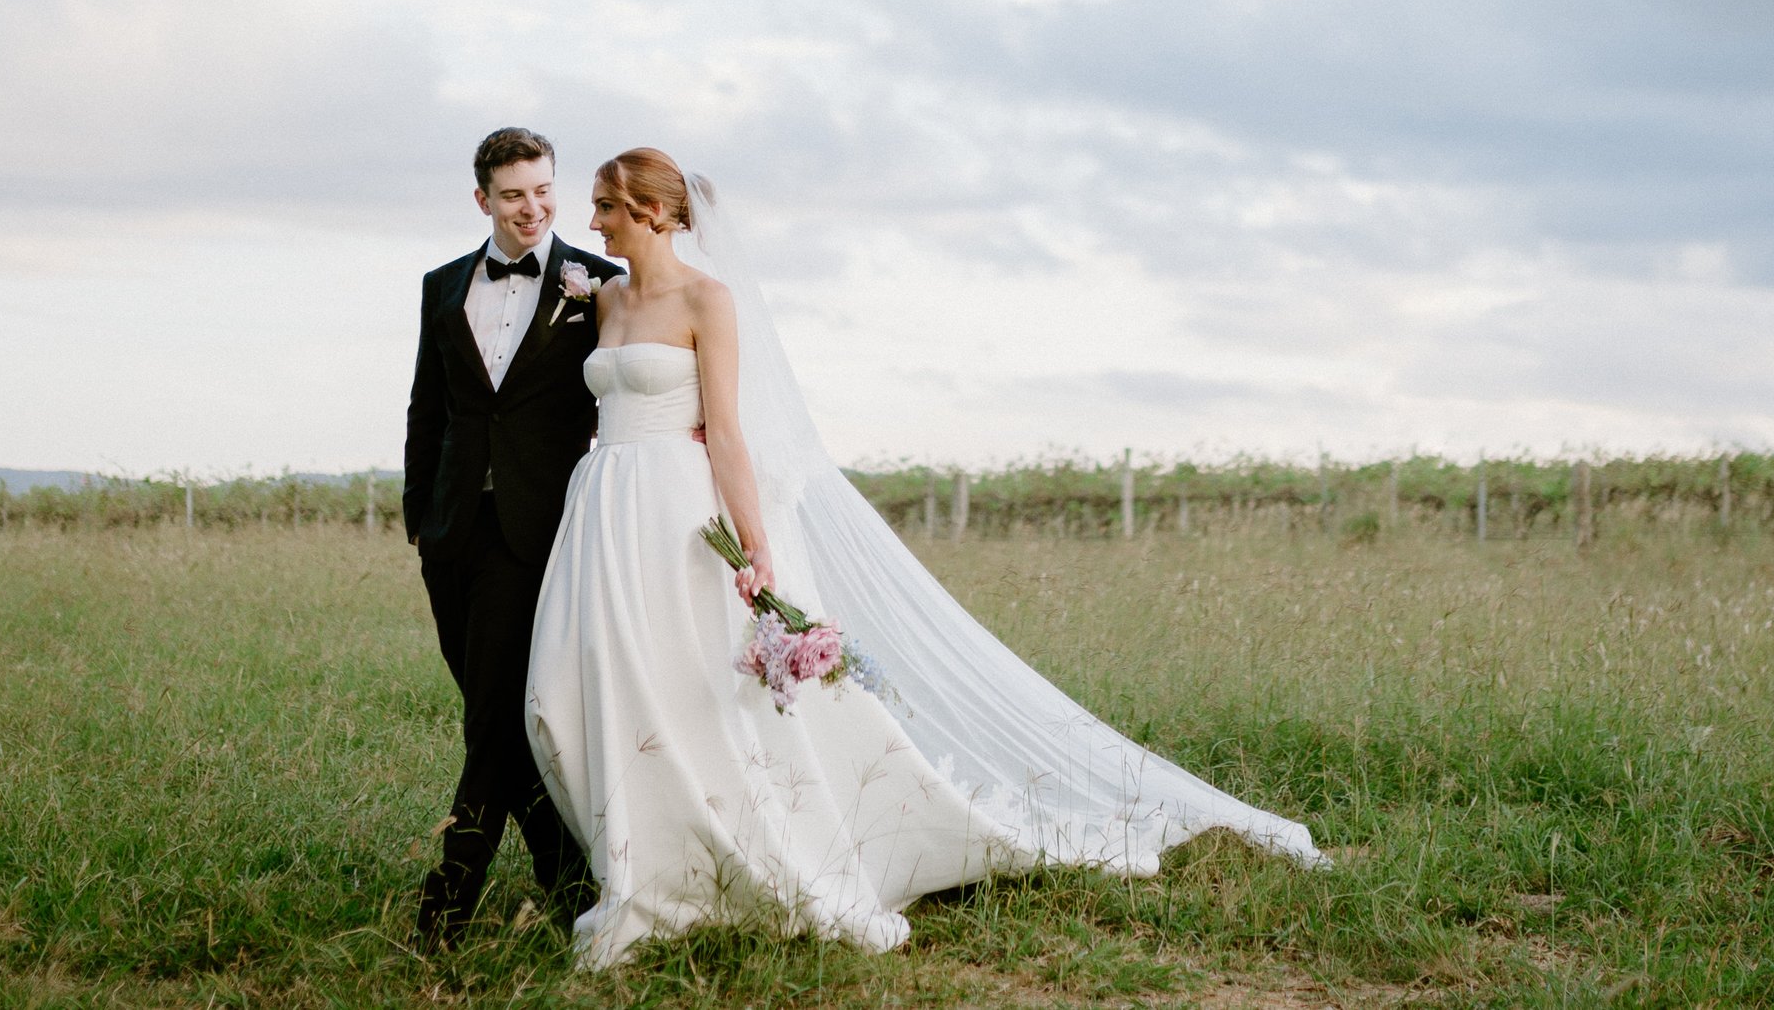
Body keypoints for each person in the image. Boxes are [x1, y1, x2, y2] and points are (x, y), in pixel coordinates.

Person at [525, 149, 1329, 969]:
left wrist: (757, 544)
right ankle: (641, 858)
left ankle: (718, 858)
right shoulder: (607, 297)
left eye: (607, 206)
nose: (593, 221)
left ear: (655, 212)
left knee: (694, 691)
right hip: (606, 512)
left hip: (680, 513)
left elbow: (725, 430)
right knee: (594, 686)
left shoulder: (708, 299)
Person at [402, 127, 622, 948]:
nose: (532, 208)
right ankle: (569, 884)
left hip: (537, 532)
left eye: (543, 190)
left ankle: (445, 906)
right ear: (482, 200)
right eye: (513, 195)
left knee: (490, 720)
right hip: (451, 531)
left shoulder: (598, 284)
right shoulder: (440, 285)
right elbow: (430, 405)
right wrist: (420, 515)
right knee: (497, 718)